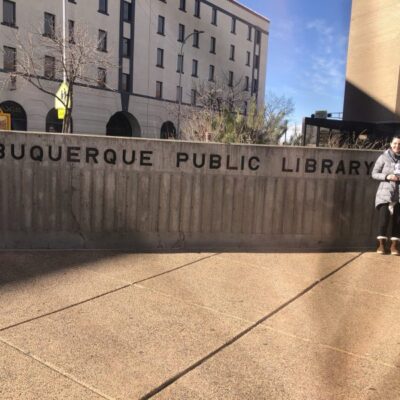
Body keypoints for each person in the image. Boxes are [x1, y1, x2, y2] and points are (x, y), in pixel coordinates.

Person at [372, 135, 400, 255]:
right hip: (385, 194)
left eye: (399, 144)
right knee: (383, 220)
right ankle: (381, 245)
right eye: (395, 143)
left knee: (398, 221)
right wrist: (387, 176)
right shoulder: (383, 157)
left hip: (399, 195)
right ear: (390, 144)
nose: (397, 146)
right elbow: (374, 173)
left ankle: (394, 246)